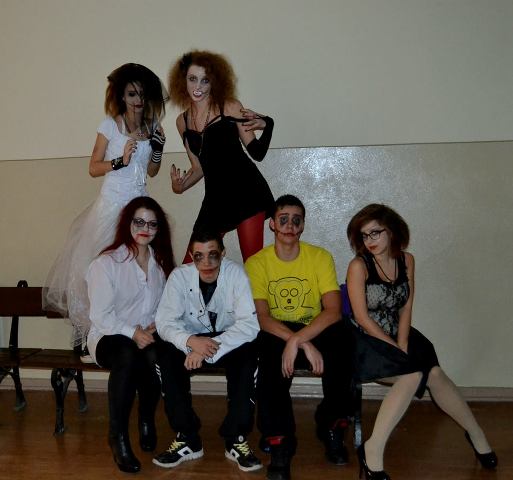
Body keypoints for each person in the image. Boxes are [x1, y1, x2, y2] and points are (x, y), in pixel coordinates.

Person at [345, 203, 498, 480]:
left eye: (375, 233)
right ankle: (372, 450)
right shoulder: (359, 265)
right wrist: (393, 348)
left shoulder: (407, 260)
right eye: (364, 235)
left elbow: (406, 306)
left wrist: (403, 342)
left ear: (392, 231)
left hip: (397, 333)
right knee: (412, 375)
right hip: (365, 339)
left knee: (435, 374)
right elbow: (362, 318)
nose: (370, 241)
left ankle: (477, 434)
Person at [43, 63, 167, 354]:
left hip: (139, 208)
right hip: (112, 206)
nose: (137, 100)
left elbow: (152, 171)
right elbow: (93, 167)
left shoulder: (152, 127)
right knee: (99, 271)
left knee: (135, 272)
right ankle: (93, 337)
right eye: (131, 94)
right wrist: (120, 161)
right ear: (121, 96)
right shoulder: (110, 125)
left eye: (141, 94)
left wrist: (158, 149)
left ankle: (132, 332)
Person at [245, 194, 354, 480]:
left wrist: (299, 339)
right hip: (277, 330)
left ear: (303, 225)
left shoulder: (320, 257)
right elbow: (262, 317)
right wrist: (296, 341)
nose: (290, 226)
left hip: (315, 327)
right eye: (283, 220)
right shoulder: (257, 263)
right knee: (269, 356)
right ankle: (280, 442)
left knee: (343, 340)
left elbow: (333, 311)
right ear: (272, 224)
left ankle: (331, 425)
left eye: (296, 220)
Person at [153, 229, 262, 472]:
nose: (207, 263)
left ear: (223, 253)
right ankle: (187, 437)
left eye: (213, 254)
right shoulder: (179, 277)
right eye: (199, 256)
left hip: (227, 340)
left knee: (249, 355)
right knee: (165, 356)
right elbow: (164, 323)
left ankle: (236, 438)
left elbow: (249, 325)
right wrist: (190, 341)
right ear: (191, 256)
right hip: (190, 340)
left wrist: (206, 350)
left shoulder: (236, 274)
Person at [86, 196, 175, 473]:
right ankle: (118, 436)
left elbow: (164, 308)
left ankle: (146, 418)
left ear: (159, 229)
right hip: (108, 336)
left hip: (146, 334)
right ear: (128, 223)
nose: (145, 229)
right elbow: (100, 316)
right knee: (128, 354)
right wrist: (132, 332)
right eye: (139, 222)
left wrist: (155, 327)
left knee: (156, 354)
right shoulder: (106, 263)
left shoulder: (161, 264)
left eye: (152, 224)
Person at [167, 49, 275, 263]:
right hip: (215, 200)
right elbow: (198, 168)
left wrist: (268, 124)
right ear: (183, 80)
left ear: (214, 82)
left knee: (253, 267)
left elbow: (257, 153)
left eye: (205, 80)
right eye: (192, 79)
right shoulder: (182, 121)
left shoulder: (230, 107)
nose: (198, 87)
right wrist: (179, 186)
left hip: (247, 192)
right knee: (190, 267)